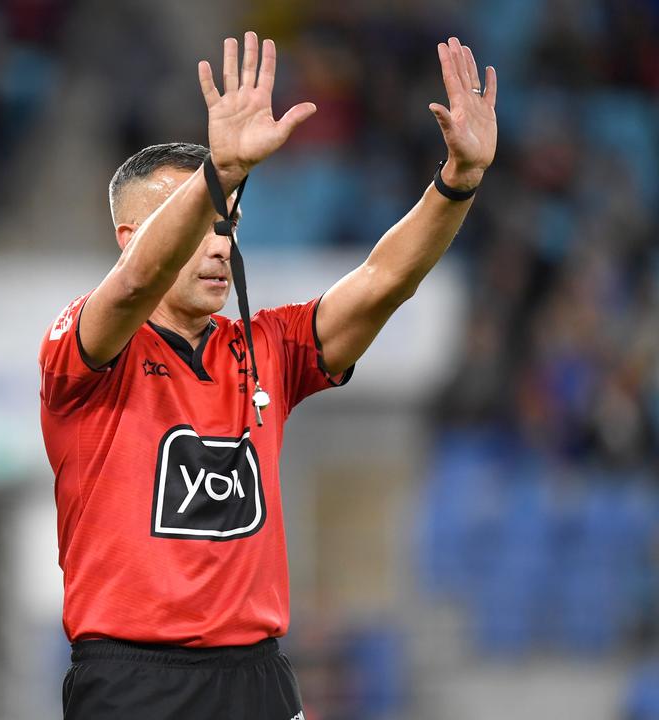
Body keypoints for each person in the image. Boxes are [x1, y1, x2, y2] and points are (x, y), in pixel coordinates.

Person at [38, 33, 497, 719]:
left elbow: (383, 282)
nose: (220, 241)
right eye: (198, 225)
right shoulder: (85, 350)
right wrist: (218, 174)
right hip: (132, 682)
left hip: (256, 676)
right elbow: (133, 287)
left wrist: (456, 182)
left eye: (229, 224)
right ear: (133, 236)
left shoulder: (267, 347)